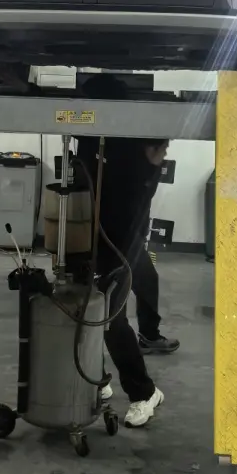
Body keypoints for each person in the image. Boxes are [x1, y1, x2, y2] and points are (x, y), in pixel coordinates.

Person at [73, 132, 167, 428]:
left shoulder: (135, 156)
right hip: (85, 239)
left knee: (112, 321)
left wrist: (152, 161)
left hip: (120, 245)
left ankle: (145, 393)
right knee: (81, 314)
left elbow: (135, 202)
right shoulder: (92, 142)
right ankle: (97, 380)